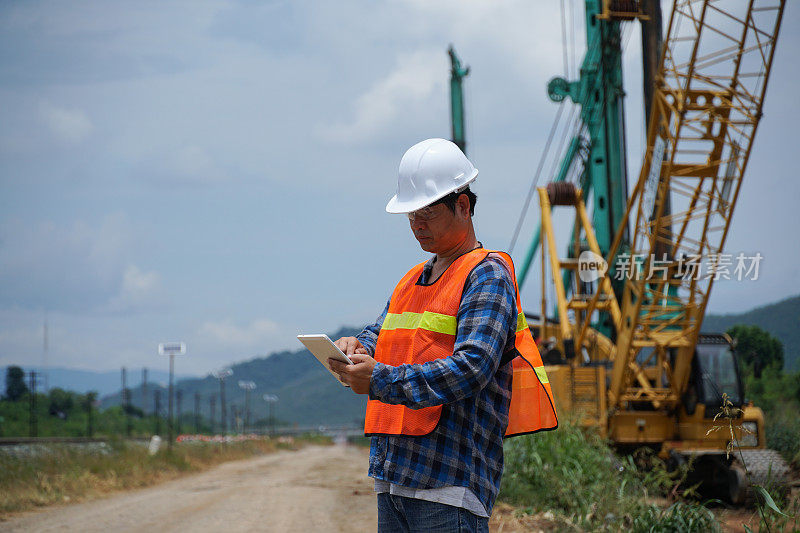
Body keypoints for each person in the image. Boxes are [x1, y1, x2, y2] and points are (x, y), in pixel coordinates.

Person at [328, 138, 557, 533]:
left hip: (447, 486)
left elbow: (471, 368)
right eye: (411, 215)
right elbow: (379, 335)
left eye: (427, 213)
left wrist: (377, 379)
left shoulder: (486, 274)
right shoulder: (411, 280)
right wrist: (356, 347)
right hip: (394, 479)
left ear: (463, 207)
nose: (417, 224)